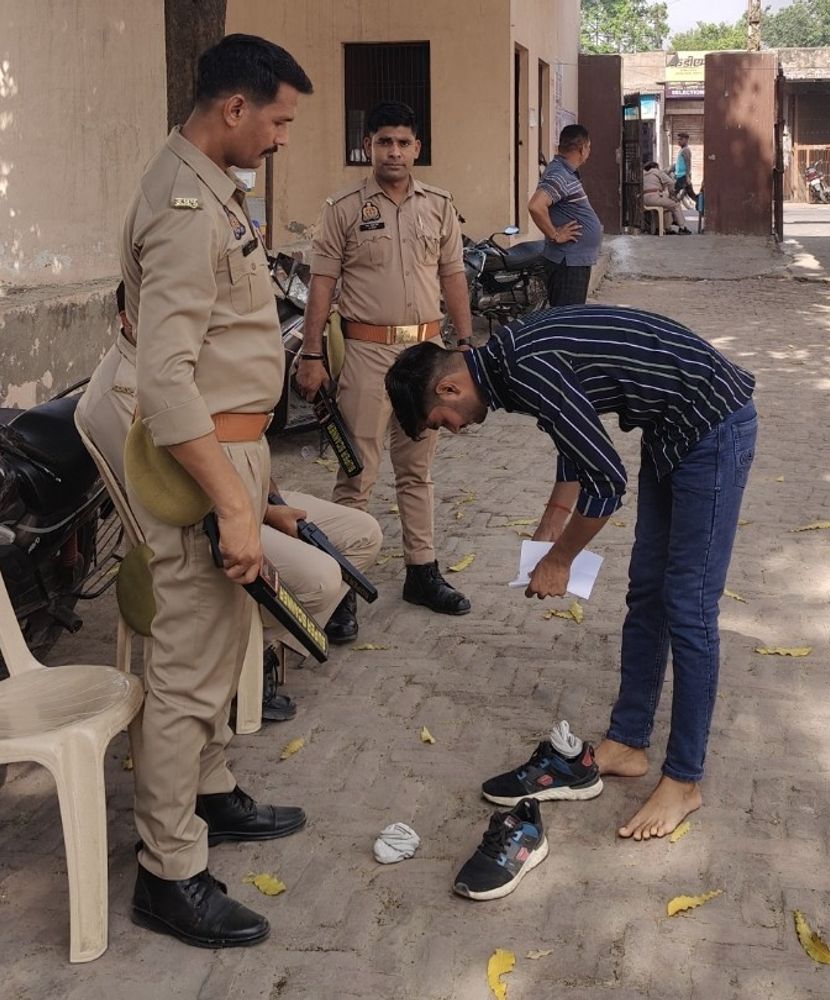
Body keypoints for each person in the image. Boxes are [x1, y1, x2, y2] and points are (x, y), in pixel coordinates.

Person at [384, 305, 757, 842]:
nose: (454, 430)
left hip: (713, 426)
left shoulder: (522, 369)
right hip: (670, 428)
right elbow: (574, 445)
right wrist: (547, 532)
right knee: (647, 594)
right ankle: (628, 742)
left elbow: (606, 480)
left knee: (689, 608)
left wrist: (560, 560)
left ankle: (684, 780)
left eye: (442, 422)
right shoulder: (506, 365)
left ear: (447, 389)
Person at [119, 34, 314, 948]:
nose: (280, 137)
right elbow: (164, 380)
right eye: (277, 119)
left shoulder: (206, 189)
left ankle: (208, 793)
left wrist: (255, 484)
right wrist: (233, 504)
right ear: (235, 108)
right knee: (187, 674)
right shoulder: (185, 207)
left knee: (223, 648)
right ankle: (168, 871)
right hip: (200, 467)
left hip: (231, 453)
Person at [75, 284, 383, 685]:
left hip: (245, 495)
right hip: (202, 525)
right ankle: (239, 668)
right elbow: (173, 494)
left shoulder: (177, 361)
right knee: (322, 578)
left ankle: (264, 645)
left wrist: (268, 497)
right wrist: (266, 514)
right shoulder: (124, 390)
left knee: (364, 534)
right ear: (126, 319)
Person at [295, 100, 473, 621]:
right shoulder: (344, 209)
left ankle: (423, 570)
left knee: (418, 471)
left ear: (417, 148)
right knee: (357, 472)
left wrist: (464, 346)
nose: (393, 151)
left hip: (425, 356)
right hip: (368, 354)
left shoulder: (439, 205)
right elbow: (322, 284)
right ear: (367, 146)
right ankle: (342, 586)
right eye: (383, 141)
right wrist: (310, 354)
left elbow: (453, 278)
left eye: (403, 142)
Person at [528, 124, 603, 306]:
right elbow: (536, 205)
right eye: (589, 147)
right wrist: (555, 234)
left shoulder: (564, 172)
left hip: (573, 260)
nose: (589, 152)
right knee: (566, 320)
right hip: (568, 263)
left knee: (569, 318)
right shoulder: (559, 174)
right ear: (582, 149)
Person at [641, 161, 690, 235]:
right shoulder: (657, 172)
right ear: (656, 167)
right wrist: (671, 194)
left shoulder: (644, 175)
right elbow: (671, 182)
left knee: (665, 207)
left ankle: (663, 228)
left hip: (644, 199)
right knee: (675, 205)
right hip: (655, 197)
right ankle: (682, 228)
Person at [673, 132, 696, 205]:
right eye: (678, 139)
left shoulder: (686, 150)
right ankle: (702, 203)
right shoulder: (682, 150)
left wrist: (687, 177)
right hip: (681, 176)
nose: (679, 141)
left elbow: (688, 163)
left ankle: (673, 207)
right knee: (691, 195)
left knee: (673, 192)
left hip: (683, 177)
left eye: (681, 139)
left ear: (686, 140)